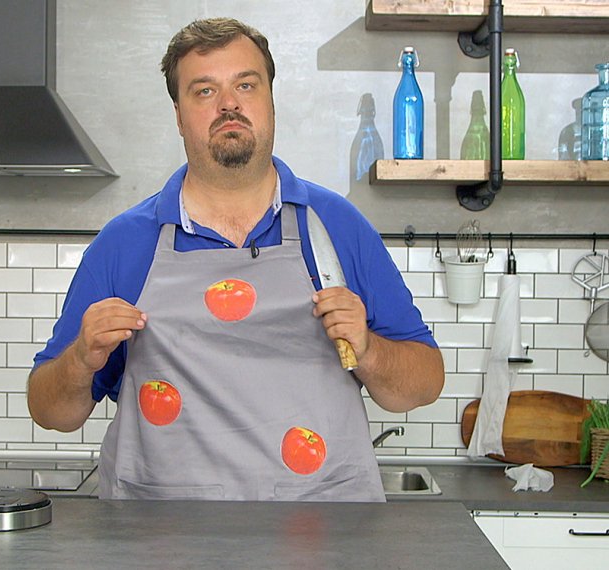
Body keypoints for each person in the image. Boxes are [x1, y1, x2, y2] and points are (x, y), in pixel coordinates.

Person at [28, 17, 444, 502]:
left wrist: (369, 350)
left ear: (270, 101)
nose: (229, 103)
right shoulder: (125, 243)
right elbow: (51, 412)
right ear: (179, 116)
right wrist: (81, 359)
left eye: (246, 85)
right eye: (204, 91)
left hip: (320, 529)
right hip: (161, 532)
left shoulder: (337, 227)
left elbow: (422, 385)